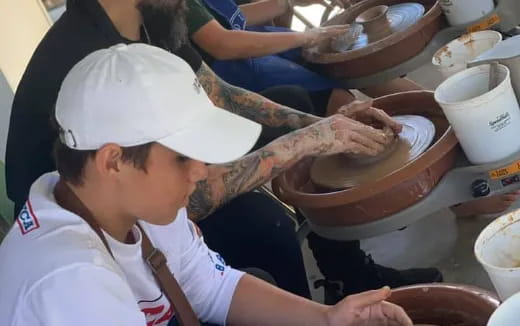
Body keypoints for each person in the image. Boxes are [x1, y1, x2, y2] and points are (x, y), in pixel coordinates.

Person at [5, 0, 442, 302]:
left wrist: (323, 127)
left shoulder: (150, 14)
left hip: (148, 170)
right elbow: (191, 198)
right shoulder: (86, 62)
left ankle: (349, 275)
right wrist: (302, 143)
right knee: (262, 224)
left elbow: (217, 94)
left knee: (292, 98)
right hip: (94, 223)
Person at [185, 0, 425, 114]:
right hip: (230, 69)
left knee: (353, 65)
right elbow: (222, 44)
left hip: (253, 37)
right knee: (339, 101)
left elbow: (232, 17)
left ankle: (445, 113)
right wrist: (306, 38)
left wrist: (286, 3)